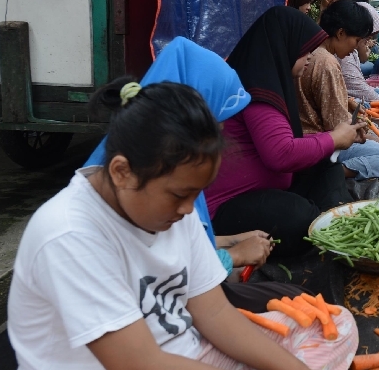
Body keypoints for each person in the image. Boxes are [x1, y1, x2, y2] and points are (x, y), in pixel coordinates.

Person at [7, 78, 365, 370]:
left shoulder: (177, 208)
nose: (189, 211)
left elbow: (213, 314)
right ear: (122, 171)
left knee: (332, 323)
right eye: (179, 195)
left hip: (189, 365)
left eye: (196, 195)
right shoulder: (68, 235)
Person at [83, 37, 272, 278]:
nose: (186, 209)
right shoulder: (140, 175)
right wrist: (233, 256)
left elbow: (174, 243)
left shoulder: (170, 170)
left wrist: (230, 241)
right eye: (215, 120)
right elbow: (158, 269)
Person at [206, 6, 367, 257]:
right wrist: (334, 138)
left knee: (326, 165)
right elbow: (280, 153)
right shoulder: (256, 92)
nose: (310, 58)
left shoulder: (272, 84)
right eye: (304, 52)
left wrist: (332, 139)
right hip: (227, 209)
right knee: (299, 218)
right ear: (284, 48)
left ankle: (331, 217)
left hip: (270, 185)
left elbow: (286, 143)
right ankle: (326, 220)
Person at [298, 0, 379, 180]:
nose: (356, 47)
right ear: (340, 33)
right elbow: (338, 128)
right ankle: (332, 174)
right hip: (321, 145)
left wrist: (346, 101)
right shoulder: (327, 63)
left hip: (310, 137)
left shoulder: (313, 51)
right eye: (356, 40)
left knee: (371, 124)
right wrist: (377, 140)